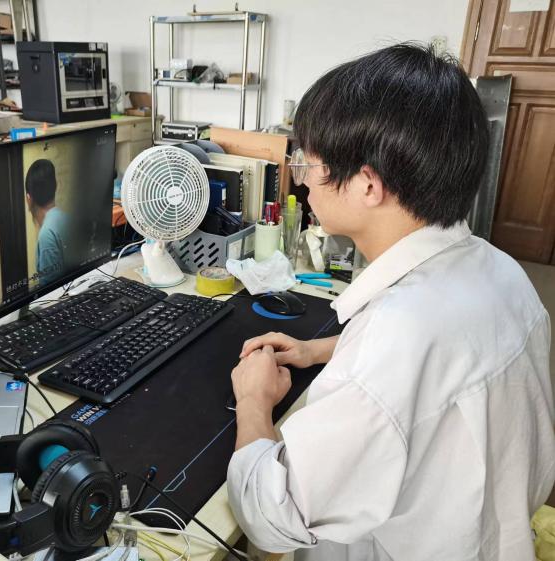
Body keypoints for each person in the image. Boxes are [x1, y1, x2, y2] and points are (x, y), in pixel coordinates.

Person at [227, 43, 555, 561]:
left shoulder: (397, 337)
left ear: (367, 185)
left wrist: (253, 401)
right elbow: (441, 364)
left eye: (308, 163)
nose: (302, 180)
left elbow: (272, 516)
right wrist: (323, 350)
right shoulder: (500, 269)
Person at [25, 159, 67, 285]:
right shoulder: (67, 218)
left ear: (28, 199)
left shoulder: (47, 234)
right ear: (56, 186)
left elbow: (51, 287)